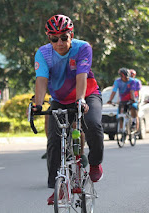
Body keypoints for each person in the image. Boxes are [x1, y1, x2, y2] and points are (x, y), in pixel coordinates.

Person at [32, 14, 104, 205]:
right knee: (54, 141)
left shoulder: (83, 48)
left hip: (87, 94)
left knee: (94, 125)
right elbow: (41, 80)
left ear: (71, 35)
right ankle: (59, 187)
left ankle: (95, 163)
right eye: (54, 39)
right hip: (60, 99)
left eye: (64, 37)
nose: (60, 43)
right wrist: (38, 105)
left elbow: (81, 76)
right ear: (49, 38)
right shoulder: (43, 53)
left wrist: (81, 100)